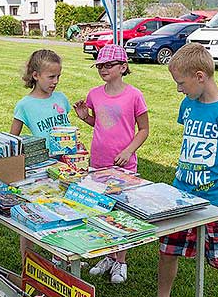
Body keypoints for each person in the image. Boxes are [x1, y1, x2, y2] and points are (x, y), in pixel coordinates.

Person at [157, 43, 218, 297]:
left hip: (214, 202)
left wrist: (211, 178)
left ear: (200, 76)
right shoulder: (188, 105)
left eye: (181, 83)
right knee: (168, 252)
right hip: (181, 197)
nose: (178, 89)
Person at [73, 44, 149, 283]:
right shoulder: (94, 94)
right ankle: (107, 255)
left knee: (121, 213)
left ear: (123, 67)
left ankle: (121, 261)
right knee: (100, 211)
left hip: (124, 167)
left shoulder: (134, 95)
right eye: (99, 66)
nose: (103, 69)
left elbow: (144, 130)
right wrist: (86, 117)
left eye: (108, 65)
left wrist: (128, 151)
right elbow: (100, 124)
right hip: (98, 164)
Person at [9, 49, 72, 263]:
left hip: (65, 164)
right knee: (32, 211)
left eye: (58, 76)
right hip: (40, 169)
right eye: (51, 77)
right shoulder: (25, 105)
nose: (55, 81)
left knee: (64, 208)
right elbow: (11, 139)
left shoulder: (62, 99)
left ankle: (60, 253)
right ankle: (29, 259)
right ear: (36, 75)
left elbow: (67, 128)